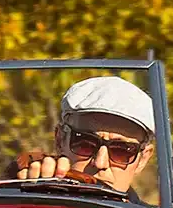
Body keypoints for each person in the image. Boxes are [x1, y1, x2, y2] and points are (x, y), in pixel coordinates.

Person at [13, 75, 157, 195]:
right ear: (60, 140)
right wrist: (22, 185)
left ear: (143, 159)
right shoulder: (30, 203)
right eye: (85, 144)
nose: (100, 163)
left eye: (121, 151)